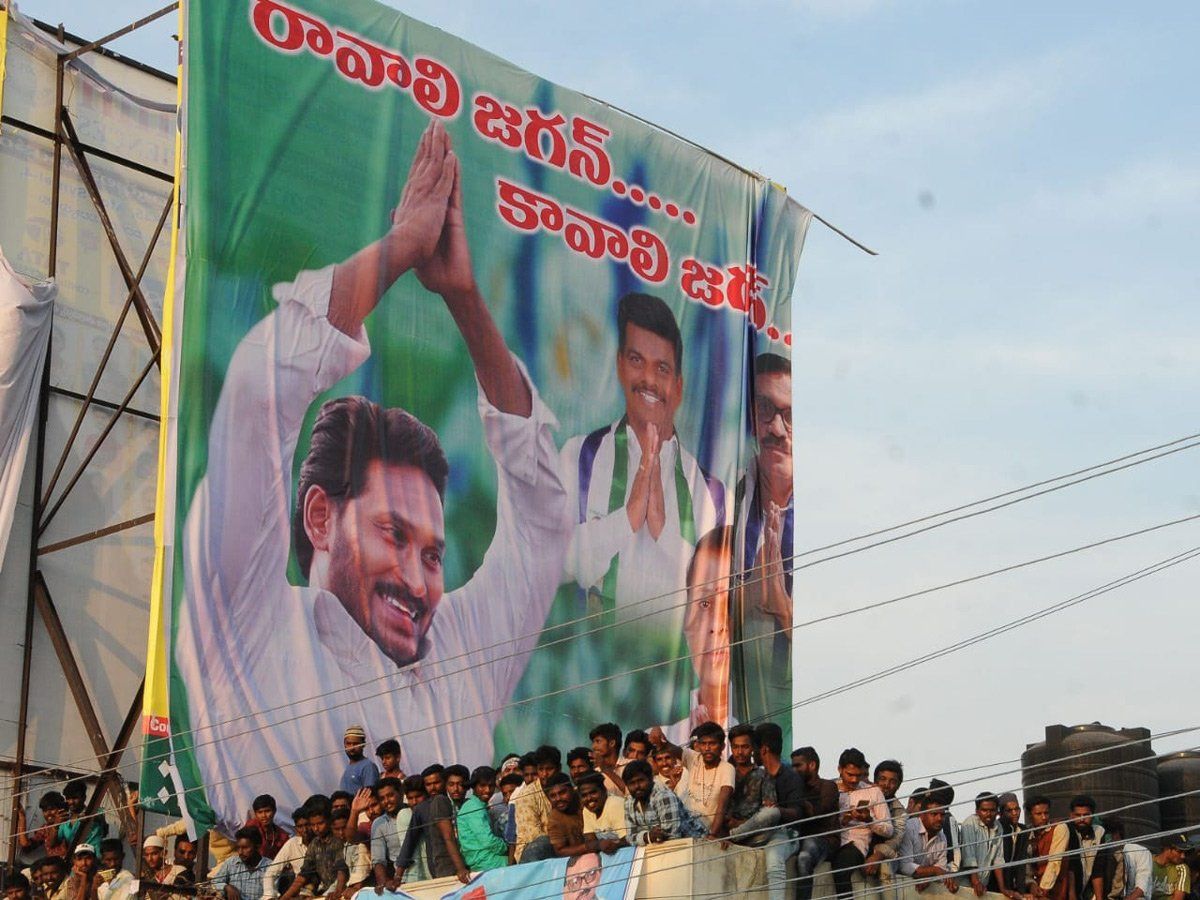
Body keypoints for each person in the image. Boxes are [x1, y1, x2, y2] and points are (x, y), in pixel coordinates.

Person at [176, 119, 571, 833]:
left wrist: (464, 299)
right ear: (320, 517)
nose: (419, 582)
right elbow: (259, 393)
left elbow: (545, 520)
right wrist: (399, 250)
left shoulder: (460, 650)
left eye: (433, 554)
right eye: (394, 533)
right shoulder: (248, 620)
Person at [730, 353, 794, 732]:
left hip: (787, 703)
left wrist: (782, 610)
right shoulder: (728, 495)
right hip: (730, 690)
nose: (777, 429)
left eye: (789, 416)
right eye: (766, 411)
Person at [753, 722, 808, 900]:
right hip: (759, 833)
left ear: (763, 750)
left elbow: (797, 813)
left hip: (786, 835)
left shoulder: (791, 777)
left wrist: (777, 810)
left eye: (754, 748)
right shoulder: (757, 777)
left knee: (774, 858)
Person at [831, 748, 893, 900]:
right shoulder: (830, 788)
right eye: (849, 775)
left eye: (858, 776)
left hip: (855, 844)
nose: (853, 780)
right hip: (831, 840)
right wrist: (843, 819)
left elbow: (889, 830)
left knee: (841, 869)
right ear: (840, 769)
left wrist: (869, 820)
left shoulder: (873, 792)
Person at [394, 766, 469, 884]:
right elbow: (409, 842)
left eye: (437, 782)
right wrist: (398, 877)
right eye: (428, 785)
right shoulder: (422, 808)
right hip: (445, 867)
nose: (433, 788)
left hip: (466, 862)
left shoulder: (460, 801)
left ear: (444, 782)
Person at [791, 746, 840, 900]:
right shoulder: (796, 787)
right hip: (798, 838)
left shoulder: (828, 786)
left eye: (798, 765)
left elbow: (817, 814)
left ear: (812, 765)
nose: (794, 770)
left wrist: (797, 796)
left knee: (804, 857)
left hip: (824, 840)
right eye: (792, 766)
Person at [621, 760, 705, 846]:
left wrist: (644, 837)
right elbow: (630, 837)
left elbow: (672, 836)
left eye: (641, 781)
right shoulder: (629, 802)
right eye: (632, 783)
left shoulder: (663, 796)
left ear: (651, 778)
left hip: (695, 844)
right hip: (658, 848)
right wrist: (648, 836)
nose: (637, 786)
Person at [897, 791, 959, 894]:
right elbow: (905, 866)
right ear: (922, 815)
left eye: (942, 815)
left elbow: (941, 869)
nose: (939, 818)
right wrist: (934, 871)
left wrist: (928, 877)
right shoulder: (909, 828)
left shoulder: (942, 837)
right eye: (934, 814)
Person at [723, 723, 775, 846]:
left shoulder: (763, 775)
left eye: (745, 747)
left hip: (752, 833)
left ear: (752, 748)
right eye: (735, 747)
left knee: (772, 815)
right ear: (731, 747)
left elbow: (768, 811)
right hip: (724, 830)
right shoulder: (724, 772)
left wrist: (741, 823)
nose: (740, 752)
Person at [515, 746, 562, 863]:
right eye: (541, 769)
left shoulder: (566, 788)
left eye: (549, 769)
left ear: (559, 768)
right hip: (532, 851)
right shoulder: (526, 795)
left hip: (562, 846)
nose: (545, 774)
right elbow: (534, 835)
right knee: (542, 843)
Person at [863, 759, 907, 886]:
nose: (886, 784)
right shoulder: (862, 795)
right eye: (882, 779)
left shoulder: (900, 811)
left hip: (879, 853)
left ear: (898, 785)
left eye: (892, 781)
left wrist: (878, 856)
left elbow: (895, 840)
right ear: (875, 780)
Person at [456, 767, 508, 872]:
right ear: (474, 787)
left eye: (491, 786)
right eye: (482, 786)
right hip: (486, 861)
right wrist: (507, 847)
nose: (487, 790)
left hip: (483, 859)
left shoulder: (477, 805)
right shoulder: (474, 807)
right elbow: (488, 841)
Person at [1024, 795, 1072, 900]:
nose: (1044, 817)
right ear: (1029, 815)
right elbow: (1026, 865)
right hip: (1035, 892)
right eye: (1038, 814)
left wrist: (1043, 890)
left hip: (1055, 890)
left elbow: (1055, 862)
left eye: (1046, 813)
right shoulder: (1026, 834)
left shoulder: (1059, 828)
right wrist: (1031, 884)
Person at [959, 792, 1004, 896]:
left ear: (997, 812)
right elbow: (969, 856)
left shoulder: (998, 827)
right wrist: (976, 882)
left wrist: (1002, 888)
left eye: (992, 810)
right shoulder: (970, 823)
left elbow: (998, 860)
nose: (988, 814)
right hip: (964, 884)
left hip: (982, 884)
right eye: (984, 810)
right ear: (977, 811)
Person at [210, 828, 274, 900]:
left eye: (245, 848)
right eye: (238, 848)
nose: (240, 852)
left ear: (257, 846)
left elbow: (270, 896)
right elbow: (215, 882)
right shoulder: (231, 863)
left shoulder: (270, 867)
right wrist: (227, 887)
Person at [263, 807, 311, 900]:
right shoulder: (292, 843)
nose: (305, 830)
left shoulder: (320, 843)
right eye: (300, 826)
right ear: (296, 829)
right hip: (299, 894)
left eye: (307, 825)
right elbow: (270, 873)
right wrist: (270, 896)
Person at [1067, 795, 1106, 900]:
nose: (1082, 819)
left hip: (1084, 891)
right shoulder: (1066, 831)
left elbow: (1098, 869)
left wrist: (1099, 898)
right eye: (1078, 815)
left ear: (1093, 815)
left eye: (1086, 815)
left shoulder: (1098, 833)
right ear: (1071, 816)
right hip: (1063, 891)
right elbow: (1070, 867)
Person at [576, 773, 627, 845]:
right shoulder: (587, 809)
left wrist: (612, 845)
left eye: (593, 793)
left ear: (603, 790)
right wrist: (600, 845)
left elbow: (628, 839)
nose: (589, 798)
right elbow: (590, 840)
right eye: (584, 795)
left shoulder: (615, 804)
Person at [59, 783, 107, 855]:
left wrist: (89, 816)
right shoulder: (64, 819)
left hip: (95, 858)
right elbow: (57, 840)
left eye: (75, 798)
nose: (71, 802)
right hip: (77, 861)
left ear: (84, 798)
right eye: (68, 798)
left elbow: (100, 818)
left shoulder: (96, 811)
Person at [997, 792, 1028, 899]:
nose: (1015, 813)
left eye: (1017, 809)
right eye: (1009, 811)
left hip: (1012, 887)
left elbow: (1021, 863)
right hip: (995, 886)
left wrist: (1021, 891)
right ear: (1001, 813)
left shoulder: (1023, 830)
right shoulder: (997, 829)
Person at [245, 795, 291, 861]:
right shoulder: (251, 826)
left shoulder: (282, 835)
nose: (264, 815)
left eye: (267, 811)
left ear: (274, 811)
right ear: (255, 813)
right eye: (260, 812)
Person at [339, 728, 381, 795]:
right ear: (344, 744)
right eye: (348, 743)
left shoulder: (368, 766)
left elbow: (370, 796)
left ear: (363, 744)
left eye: (356, 744)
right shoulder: (348, 767)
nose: (352, 747)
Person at [588, 724, 626, 796]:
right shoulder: (595, 773)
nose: (593, 747)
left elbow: (630, 792)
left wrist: (605, 768)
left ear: (612, 743)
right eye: (593, 742)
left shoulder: (630, 765)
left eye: (598, 741)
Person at [1151, 835, 1193, 900]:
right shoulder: (1147, 862)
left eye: (1186, 852)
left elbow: (1178, 898)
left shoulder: (1182, 868)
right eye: (1179, 851)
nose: (1183, 856)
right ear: (1167, 849)